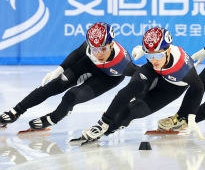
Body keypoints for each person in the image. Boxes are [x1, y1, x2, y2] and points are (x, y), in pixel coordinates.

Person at [0, 22, 138, 130]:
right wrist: (59, 70)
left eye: (104, 49)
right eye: (95, 49)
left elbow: (143, 77)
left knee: (71, 96)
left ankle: (53, 118)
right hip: (88, 64)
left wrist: (132, 100)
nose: (99, 53)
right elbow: (77, 54)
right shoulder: (90, 47)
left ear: (112, 44)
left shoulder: (123, 64)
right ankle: (15, 111)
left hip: (108, 78)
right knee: (52, 86)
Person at [79, 27, 205, 142]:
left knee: (130, 111)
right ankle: (102, 125)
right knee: (128, 91)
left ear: (168, 51)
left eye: (158, 55)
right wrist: (145, 52)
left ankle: (108, 129)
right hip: (153, 72)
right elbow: (153, 54)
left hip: (172, 87)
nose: (154, 60)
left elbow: (199, 89)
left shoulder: (185, 70)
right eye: (149, 55)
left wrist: (190, 116)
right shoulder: (154, 60)